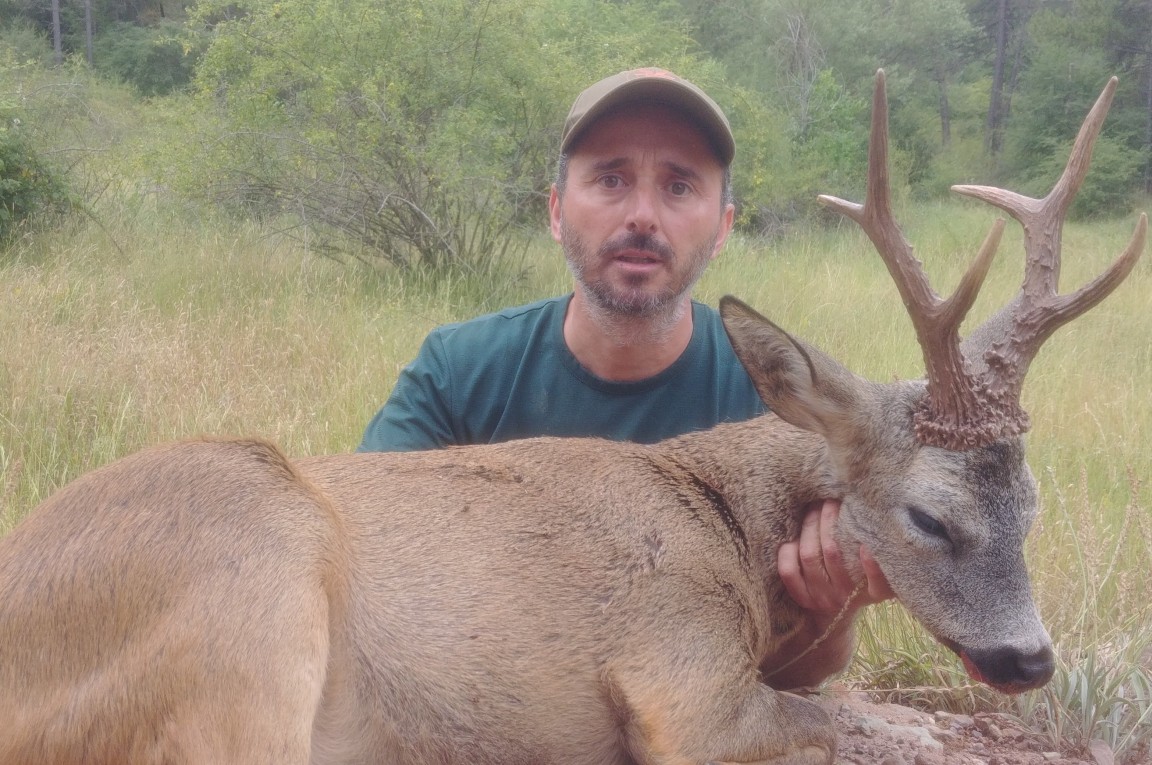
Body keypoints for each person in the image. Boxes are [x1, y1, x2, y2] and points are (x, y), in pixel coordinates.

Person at [358, 67, 893, 689]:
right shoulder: (458, 370)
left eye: (679, 186)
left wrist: (834, 609)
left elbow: (788, 679)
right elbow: (361, 562)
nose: (643, 215)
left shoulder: (778, 404)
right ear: (557, 211)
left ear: (721, 227)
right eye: (611, 179)